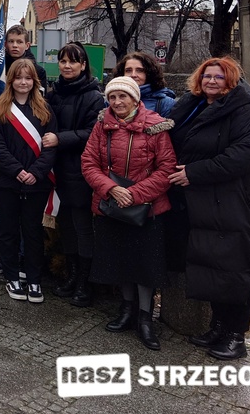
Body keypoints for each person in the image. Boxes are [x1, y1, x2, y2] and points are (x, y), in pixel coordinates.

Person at [167, 57, 250, 361]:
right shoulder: (195, 106)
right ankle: (218, 326)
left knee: (236, 268)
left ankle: (236, 336)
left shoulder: (244, 113)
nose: (212, 81)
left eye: (219, 77)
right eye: (207, 76)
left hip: (238, 204)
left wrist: (194, 172)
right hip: (207, 202)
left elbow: (243, 155)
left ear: (231, 81)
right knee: (214, 266)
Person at [81, 75, 177, 351]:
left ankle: (145, 318)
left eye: (123, 96)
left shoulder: (155, 126)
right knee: (120, 261)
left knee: (145, 266)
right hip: (112, 204)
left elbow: (166, 168)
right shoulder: (102, 125)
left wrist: (133, 194)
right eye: (112, 97)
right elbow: (89, 162)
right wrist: (111, 189)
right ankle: (127, 309)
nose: (117, 102)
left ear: (135, 99)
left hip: (146, 209)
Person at [0, 59, 57, 304]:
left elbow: (50, 147)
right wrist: (17, 170)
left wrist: (35, 172)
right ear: (11, 80)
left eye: (28, 78)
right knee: (7, 231)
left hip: (36, 183)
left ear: (34, 81)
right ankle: (12, 276)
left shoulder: (46, 109)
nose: (23, 82)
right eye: (18, 78)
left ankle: (34, 279)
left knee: (33, 232)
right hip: (6, 181)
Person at [45, 42, 104, 307]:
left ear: (83, 65)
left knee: (82, 229)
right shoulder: (54, 93)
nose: (67, 66)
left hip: (80, 171)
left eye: (72, 61)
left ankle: (84, 283)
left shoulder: (93, 96)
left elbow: (92, 133)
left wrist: (60, 139)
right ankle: (70, 276)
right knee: (66, 227)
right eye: (63, 61)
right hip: (56, 170)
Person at [113, 51, 175, 116]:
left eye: (139, 70)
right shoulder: (112, 100)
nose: (133, 75)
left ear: (149, 73)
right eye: (128, 70)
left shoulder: (164, 103)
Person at [6, 25, 48, 92]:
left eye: (19, 42)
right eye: (11, 41)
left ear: (27, 45)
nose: (14, 45)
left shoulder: (38, 71)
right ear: (5, 44)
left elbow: (40, 96)